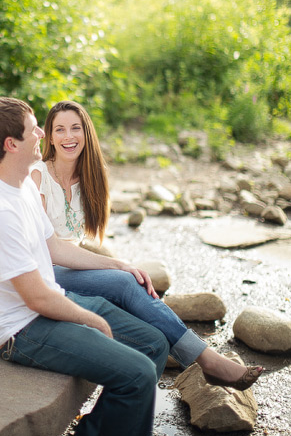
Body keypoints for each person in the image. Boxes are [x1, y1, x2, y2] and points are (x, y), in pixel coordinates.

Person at [0, 96, 169, 436]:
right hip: (22, 329)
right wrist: (93, 321)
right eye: (34, 130)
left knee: (153, 344)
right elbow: (35, 297)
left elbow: (54, 247)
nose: (43, 132)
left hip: (50, 302)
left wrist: (118, 264)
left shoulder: (23, 183)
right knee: (138, 374)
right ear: (11, 145)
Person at [31, 99, 263, 390]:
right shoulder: (38, 176)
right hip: (40, 273)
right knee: (127, 282)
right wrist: (118, 265)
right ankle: (207, 359)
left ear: (86, 133)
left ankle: (132, 412)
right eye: (60, 129)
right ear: (50, 137)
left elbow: (73, 248)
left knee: (138, 303)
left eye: (76, 128)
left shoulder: (89, 177)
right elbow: (51, 249)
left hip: (67, 268)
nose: (69, 137)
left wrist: (118, 269)